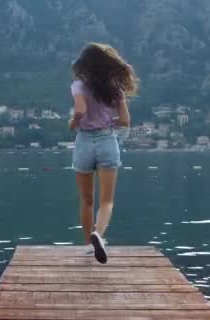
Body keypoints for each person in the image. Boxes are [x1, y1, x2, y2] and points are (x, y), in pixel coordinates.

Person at [68, 43, 139, 264]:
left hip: (84, 142)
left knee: (86, 200)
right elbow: (126, 121)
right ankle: (98, 233)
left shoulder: (78, 86)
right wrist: (108, 120)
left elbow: (80, 111)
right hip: (107, 140)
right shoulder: (115, 89)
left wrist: (74, 122)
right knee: (106, 201)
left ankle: (89, 246)